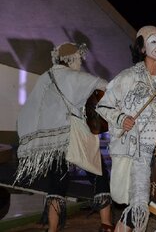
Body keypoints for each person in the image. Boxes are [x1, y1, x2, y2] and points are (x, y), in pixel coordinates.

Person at [95, 25, 156, 232]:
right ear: (141, 48)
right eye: (154, 41)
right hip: (139, 151)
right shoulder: (128, 76)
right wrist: (122, 119)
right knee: (139, 205)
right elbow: (103, 105)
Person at [15, 42, 114, 232]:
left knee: (56, 183)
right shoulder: (73, 76)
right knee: (98, 171)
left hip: (53, 142)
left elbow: (31, 109)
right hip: (74, 135)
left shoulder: (44, 78)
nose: (80, 62)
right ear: (71, 59)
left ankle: (52, 229)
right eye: (78, 58)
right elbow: (105, 86)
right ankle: (106, 225)